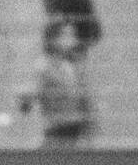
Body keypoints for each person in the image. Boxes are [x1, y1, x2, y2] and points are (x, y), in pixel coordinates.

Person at [19, 17, 94, 147]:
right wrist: (27, 98)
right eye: (67, 35)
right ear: (53, 39)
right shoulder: (44, 67)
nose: (73, 39)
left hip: (76, 136)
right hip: (57, 135)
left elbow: (83, 101)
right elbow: (29, 98)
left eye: (73, 35)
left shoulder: (72, 66)